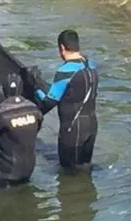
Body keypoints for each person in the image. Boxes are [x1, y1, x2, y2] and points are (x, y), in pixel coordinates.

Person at [27, 29, 99, 170]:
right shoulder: (91, 64)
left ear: (62, 48)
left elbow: (49, 101)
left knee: (68, 173)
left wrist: (36, 86)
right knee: (85, 169)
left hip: (72, 129)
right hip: (91, 126)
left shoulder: (66, 71)